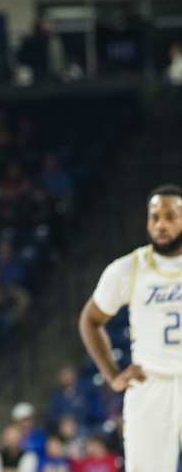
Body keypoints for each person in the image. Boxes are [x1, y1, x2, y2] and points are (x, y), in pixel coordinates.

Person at [79, 184, 182, 472]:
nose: (161, 224)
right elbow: (90, 320)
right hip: (150, 383)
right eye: (154, 217)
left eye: (170, 216)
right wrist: (112, 375)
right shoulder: (129, 268)